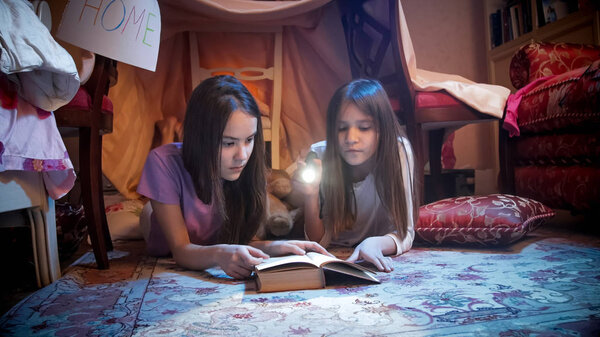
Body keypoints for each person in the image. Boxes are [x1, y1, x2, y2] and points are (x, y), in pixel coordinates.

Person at [138, 75, 329, 279]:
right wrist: (219, 254)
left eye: (249, 140)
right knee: (153, 204)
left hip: (208, 232)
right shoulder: (162, 161)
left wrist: (279, 246)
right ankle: (167, 131)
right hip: (159, 222)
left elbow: (239, 242)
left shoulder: (248, 166)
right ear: (201, 138)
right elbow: (181, 250)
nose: (242, 156)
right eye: (228, 143)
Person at [296, 78, 418, 272]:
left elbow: (405, 231)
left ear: (382, 128)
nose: (351, 139)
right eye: (342, 128)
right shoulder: (319, 155)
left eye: (364, 127)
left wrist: (375, 244)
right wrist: (311, 195)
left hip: (377, 244)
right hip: (335, 252)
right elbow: (317, 242)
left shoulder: (398, 152)